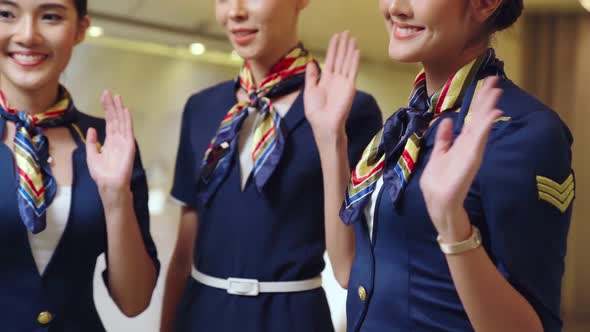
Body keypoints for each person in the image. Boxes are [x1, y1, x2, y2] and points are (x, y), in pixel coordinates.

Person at [305, 0, 574, 331]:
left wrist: (453, 227)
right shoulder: (404, 127)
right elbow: (348, 270)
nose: (394, 7)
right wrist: (331, 138)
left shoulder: (523, 132)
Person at [160, 0, 383, 331]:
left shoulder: (353, 111)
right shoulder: (201, 108)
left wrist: (331, 137)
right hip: (202, 314)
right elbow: (183, 255)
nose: (234, 12)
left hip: (291, 316)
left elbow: (349, 265)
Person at [0, 0, 159, 330]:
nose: (27, 35)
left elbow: (134, 301)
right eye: (6, 14)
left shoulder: (108, 141)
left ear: (80, 29)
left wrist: (116, 197)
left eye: (51, 16)